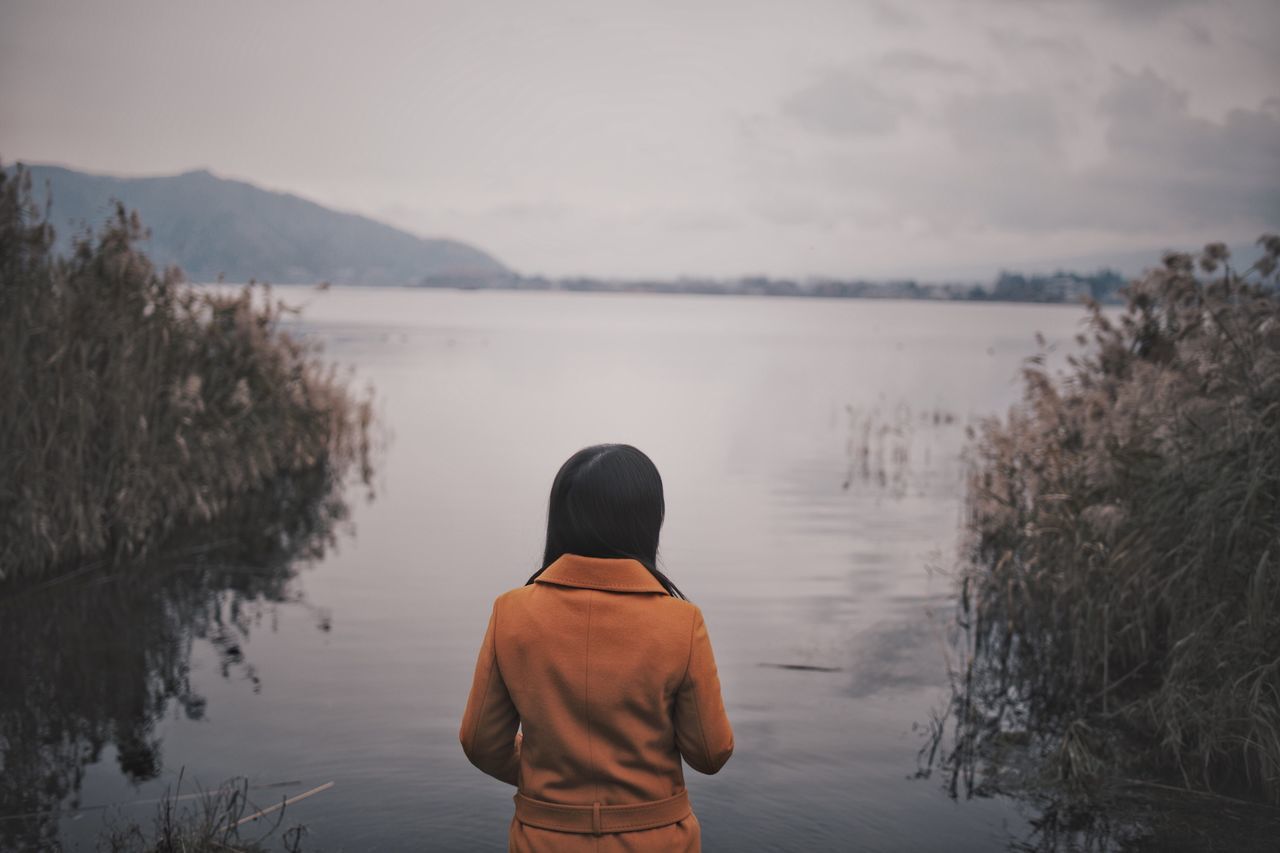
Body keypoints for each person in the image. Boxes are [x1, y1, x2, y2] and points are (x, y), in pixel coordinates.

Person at [459, 443, 734, 852]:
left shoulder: (511, 613)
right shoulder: (681, 622)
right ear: (648, 522)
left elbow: (481, 742)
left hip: (543, 839)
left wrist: (546, 774)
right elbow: (710, 754)